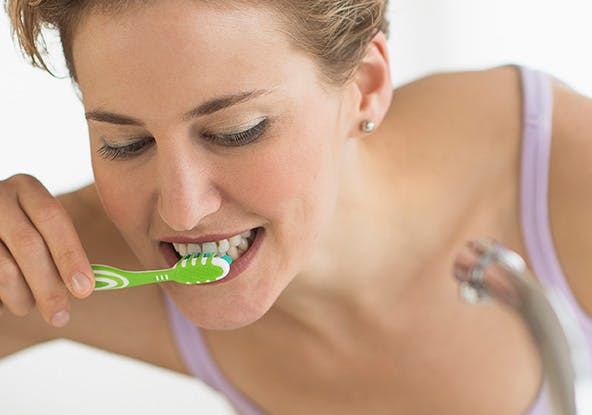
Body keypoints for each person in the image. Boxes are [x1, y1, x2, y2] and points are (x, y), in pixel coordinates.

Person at [1, 0, 591, 413]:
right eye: (124, 144)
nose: (182, 211)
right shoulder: (69, 265)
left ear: (364, 85)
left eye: (237, 130)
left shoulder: (564, 170)